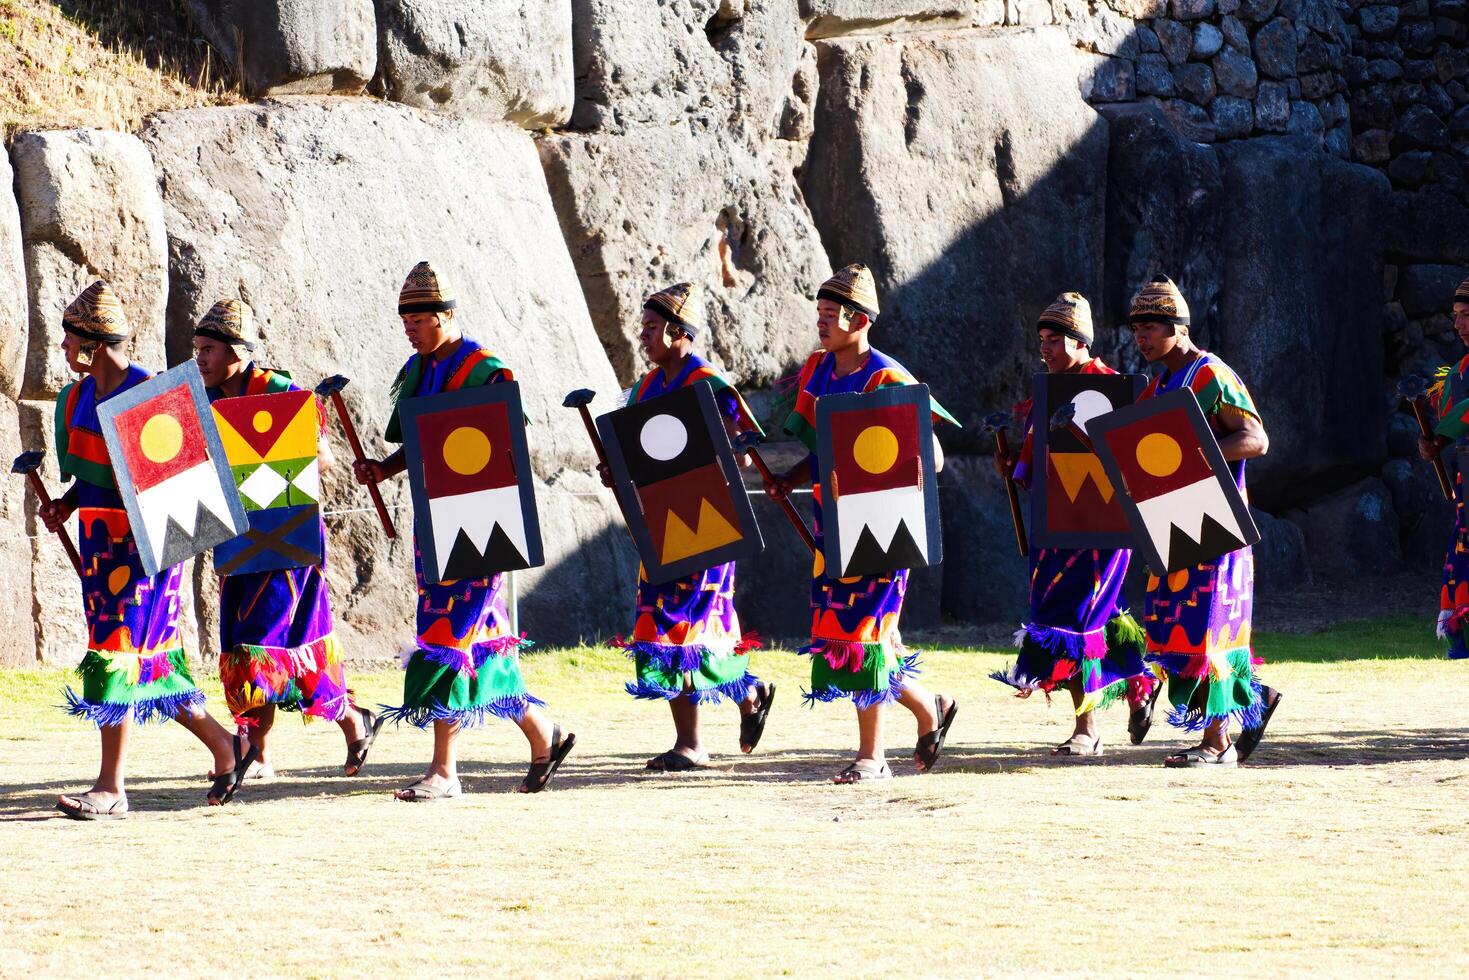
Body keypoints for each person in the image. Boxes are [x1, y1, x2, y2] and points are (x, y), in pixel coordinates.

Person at [355, 262, 574, 798]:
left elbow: (496, 440)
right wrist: (385, 468)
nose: (407, 326)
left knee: (447, 633)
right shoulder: (418, 369)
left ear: (445, 316)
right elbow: (426, 438)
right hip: (434, 519)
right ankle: (545, 735)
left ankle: (445, 772)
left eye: (417, 317)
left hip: (481, 519)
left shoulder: (485, 370)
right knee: (481, 641)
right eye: (403, 317)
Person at [43, 280, 244, 818]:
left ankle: (110, 787)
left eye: (69, 341)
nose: (63, 350)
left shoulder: (154, 394)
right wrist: (66, 503)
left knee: (117, 655)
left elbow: (180, 488)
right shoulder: (75, 399)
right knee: (149, 665)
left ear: (93, 343)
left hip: (149, 551)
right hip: (100, 544)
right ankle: (227, 745)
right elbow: (94, 477)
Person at [763, 263, 959, 783]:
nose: (822, 324)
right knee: (844, 632)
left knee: (864, 634)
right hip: (834, 526)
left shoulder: (887, 378)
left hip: (883, 527)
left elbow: (932, 456)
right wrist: (794, 475)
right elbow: (821, 444)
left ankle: (873, 757)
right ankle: (928, 707)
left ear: (860, 319)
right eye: (820, 314)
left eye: (832, 315)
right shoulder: (818, 370)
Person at [193, 299, 381, 782]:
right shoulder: (204, 399)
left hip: (285, 542)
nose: (201, 359)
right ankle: (345, 725)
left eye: (209, 349)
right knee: (254, 646)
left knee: (266, 644)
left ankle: (258, 752)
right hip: (238, 541)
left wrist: (263, 465)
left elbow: (323, 460)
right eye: (197, 349)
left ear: (237, 351)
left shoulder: (279, 390)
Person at [599, 282, 776, 771]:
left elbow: (741, 450)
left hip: (708, 522)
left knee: (692, 627)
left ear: (679, 332)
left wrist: (716, 459)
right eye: (644, 328)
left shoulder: (711, 385)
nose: (643, 337)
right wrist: (617, 466)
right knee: (660, 626)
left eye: (652, 328)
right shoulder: (644, 389)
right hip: (660, 523)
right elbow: (637, 453)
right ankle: (705, 729)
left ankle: (729, 708)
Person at [990, 292, 1154, 756]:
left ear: (1081, 342)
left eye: (1056, 339)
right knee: (1087, 615)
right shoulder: (1046, 393)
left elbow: (1135, 461)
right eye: (1041, 339)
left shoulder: (1118, 389)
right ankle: (1139, 683)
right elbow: (1034, 469)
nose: (1046, 348)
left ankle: (1087, 729)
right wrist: (1011, 463)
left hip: (1102, 529)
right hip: (1054, 528)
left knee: (1076, 621)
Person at [1128, 274, 1281, 767]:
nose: (1140, 337)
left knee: (1208, 630)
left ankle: (1217, 744)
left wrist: (1197, 456)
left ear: (1179, 327)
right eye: (1136, 328)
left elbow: (1256, 439)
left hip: (1214, 526)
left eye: (1150, 327)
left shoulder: (1209, 373)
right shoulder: (1158, 385)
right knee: (1175, 629)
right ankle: (1258, 698)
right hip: (1171, 524)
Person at [1419, 276, 1469, 660]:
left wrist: (1441, 436)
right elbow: (1447, 425)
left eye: (1466, 315)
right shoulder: (1458, 374)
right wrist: (1432, 439)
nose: (1458, 325)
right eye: (1455, 316)